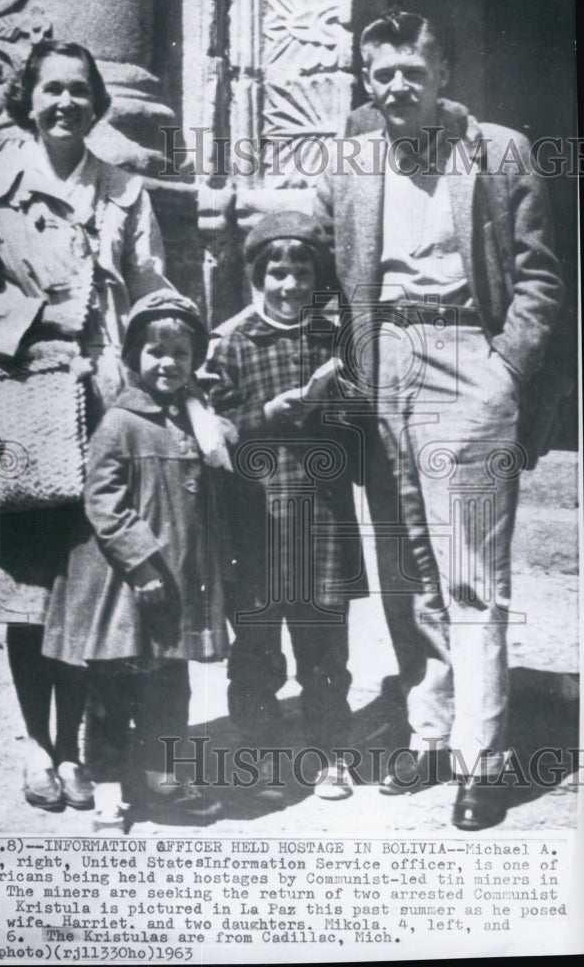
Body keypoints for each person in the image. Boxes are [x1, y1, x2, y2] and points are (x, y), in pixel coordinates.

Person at [314, 10, 564, 829]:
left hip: (469, 357)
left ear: (441, 74)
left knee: (469, 570)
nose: (394, 88)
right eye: (380, 74)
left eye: (410, 74)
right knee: (405, 559)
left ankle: (480, 757)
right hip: (383, 357)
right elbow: (321, 260)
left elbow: (539, 281)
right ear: (364, 78)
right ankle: (428, 732)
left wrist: (503, 377)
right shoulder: (350, 159)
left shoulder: (497, 150)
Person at [0, 41, 176, 811]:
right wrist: (44, 315)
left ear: (96, 103)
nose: (65, 102)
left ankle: (78, 750)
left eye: (79, 91)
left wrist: (164, 357)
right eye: (51, 90)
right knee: (27, 597)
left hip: (103, 413)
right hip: (18, 414)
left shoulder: (125, 192)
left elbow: (151, 292)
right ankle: (38, 747)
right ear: (26, 101)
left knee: (88, 595)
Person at [43, 293, 229, 826]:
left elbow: (219, 459)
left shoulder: (194, 421)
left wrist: (215, 423)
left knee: (171, 691)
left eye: (181, 353)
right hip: (128, 589)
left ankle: (163, 783)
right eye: (155, 350)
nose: (168, 362)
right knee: (111, 697)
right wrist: (141, 565)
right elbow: (103, 501)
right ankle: (107, 794)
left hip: (175, 587)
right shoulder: (121, 422)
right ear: (132, 356)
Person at [207, 212, 368, 803]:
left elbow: (358, 430)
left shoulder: (332, 339)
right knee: (254, 646)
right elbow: (214, 432)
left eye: (303, 270)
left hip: (320, 515)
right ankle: (261, 751)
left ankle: (329, 752)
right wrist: (263, 418)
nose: (291, 284)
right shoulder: (232, 343)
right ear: (258, 274)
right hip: (255, 518)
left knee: (324, 645)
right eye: (278, 271)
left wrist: (334, 412)